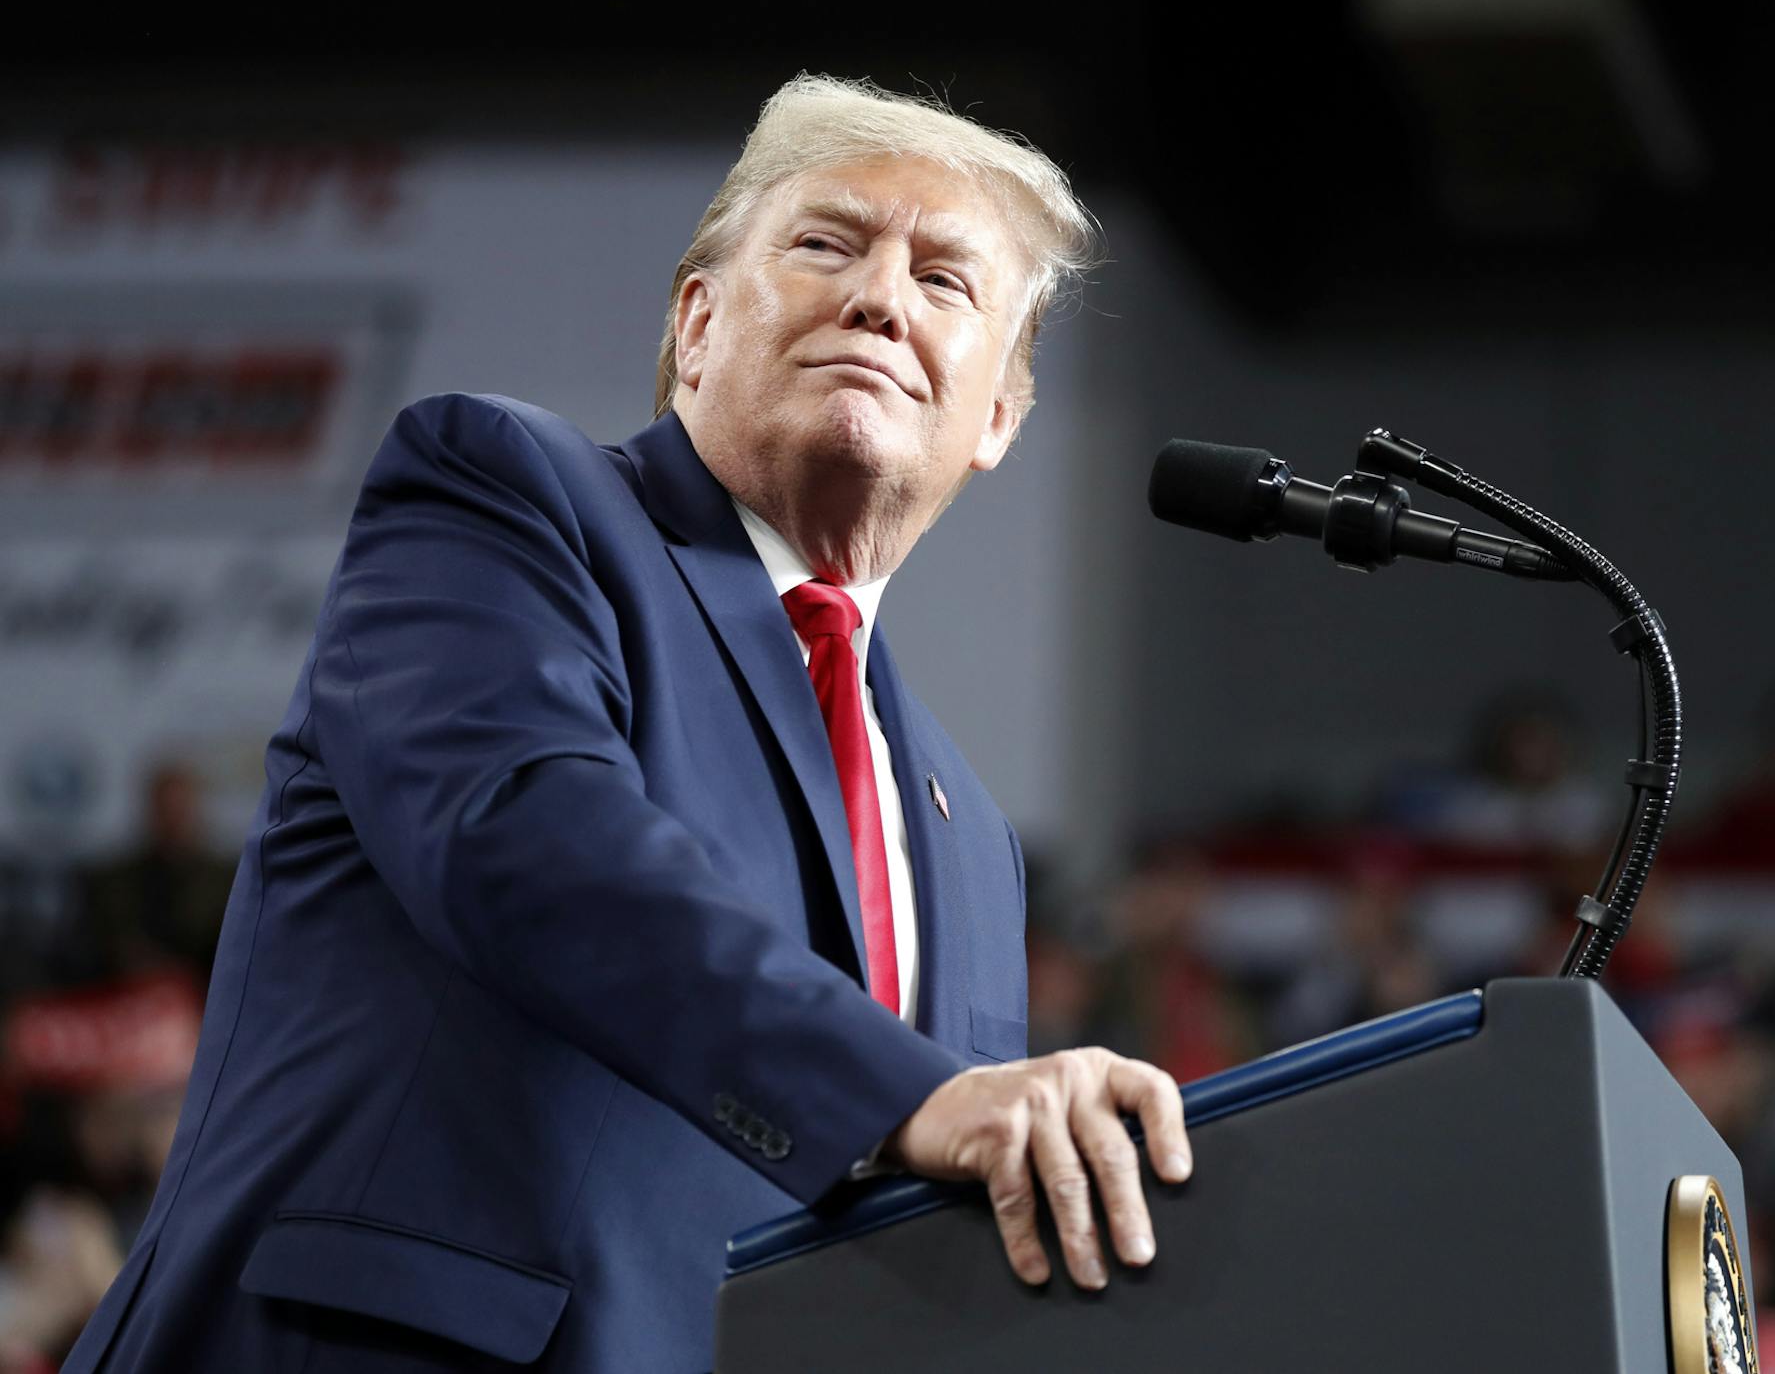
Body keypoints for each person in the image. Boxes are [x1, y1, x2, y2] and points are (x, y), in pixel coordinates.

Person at [61, 74, 1192, 1374]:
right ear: (697, 323)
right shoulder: (506, 503)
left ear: (998, 414)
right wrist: (909, 1093)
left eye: (947, 281)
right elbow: (532, 841)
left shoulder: (972, 841)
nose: (881, 295)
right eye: (827, 244)